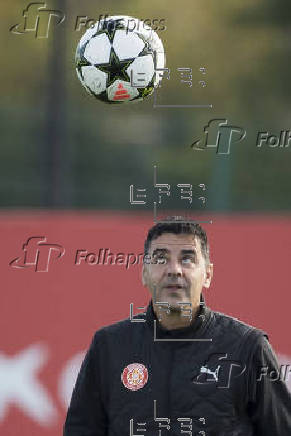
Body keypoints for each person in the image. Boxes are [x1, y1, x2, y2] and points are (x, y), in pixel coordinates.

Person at [63, 218, 291, 436]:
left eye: (187, 259)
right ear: (144, 273)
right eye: (161, 259)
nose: (174, 270)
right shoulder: (109, 346)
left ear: (208, 274)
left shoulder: (248, 347)